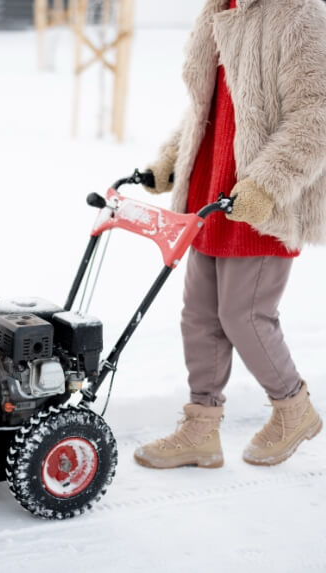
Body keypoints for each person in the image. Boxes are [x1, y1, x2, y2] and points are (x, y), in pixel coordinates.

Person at [134, 0, 326, 469]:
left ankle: (293, 408)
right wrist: (170, 161)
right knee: (199, 315)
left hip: (262, 201)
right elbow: (208, 106)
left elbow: (316, 116)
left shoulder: (299, 14)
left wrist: (266, 185)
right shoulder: (220, 11)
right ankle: (200, 428)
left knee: (244, 314)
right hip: (212, 191)